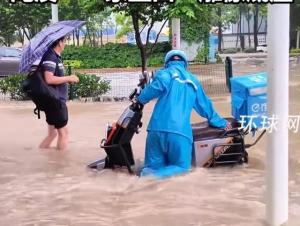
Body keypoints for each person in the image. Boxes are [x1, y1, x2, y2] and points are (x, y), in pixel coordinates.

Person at [137, 50, 231, 179]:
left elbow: (144, 97)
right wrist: (221, 122)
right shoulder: (193, 81)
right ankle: (150, 179)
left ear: (167, 63)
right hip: (180, 133)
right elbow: (205, 107)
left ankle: (142, 179)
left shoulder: (164, 74)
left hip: (155, 130)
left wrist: (140, 97)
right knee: (182, 169)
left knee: (151, 168)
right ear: (185, 64)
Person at [38, 36, 79, 150]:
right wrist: (69, 78)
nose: (65, 43)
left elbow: (54, 79)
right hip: (56, 102)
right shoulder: (51, 57)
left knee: (53, 134)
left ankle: (43, 157)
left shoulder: (54, 56)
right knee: (64, 134)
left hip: (53, 101)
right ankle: (61, 165)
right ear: (59, 42)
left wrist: (66, 80)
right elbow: (49, 79)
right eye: (64, 41)